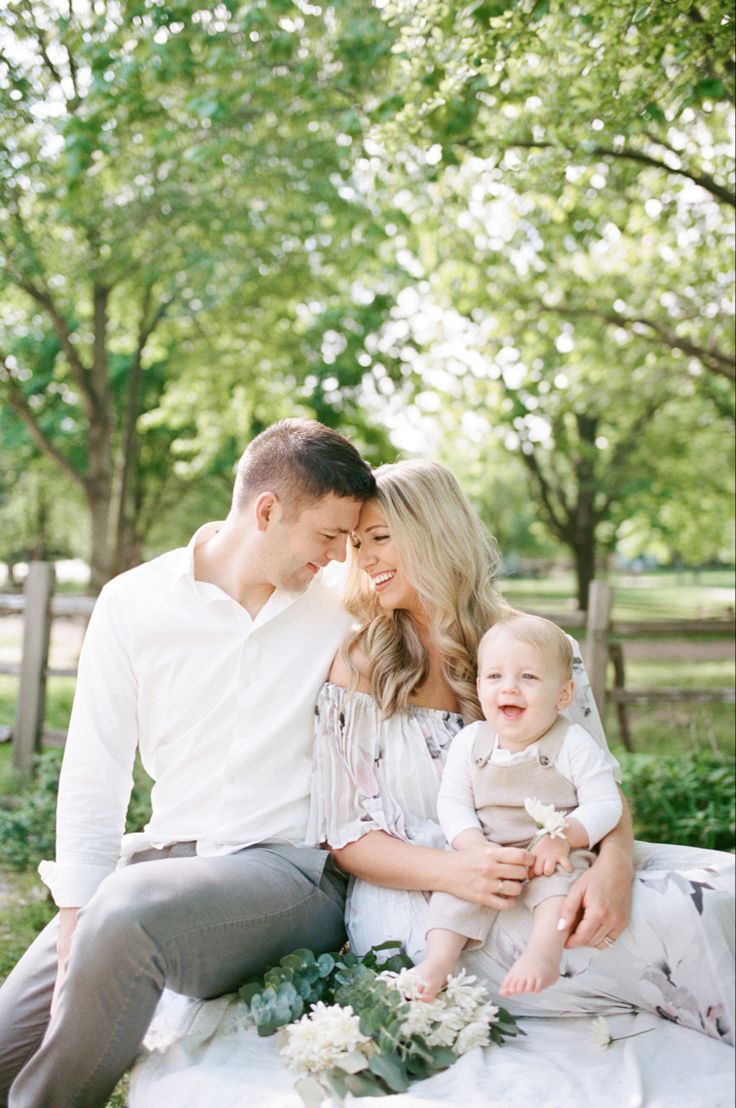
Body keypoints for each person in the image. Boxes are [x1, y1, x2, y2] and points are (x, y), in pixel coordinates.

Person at [0, 418, 377, 1108]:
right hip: (159, 864)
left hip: (287, 875)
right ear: (267, 511)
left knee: (127, 916)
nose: (336, 557)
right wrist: (74, 919)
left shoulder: (341, 613)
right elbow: (95, 774)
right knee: (7, 1038)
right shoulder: (134, 603)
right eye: (327, 536)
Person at [307, 458, 734, 1042]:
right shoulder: (360, 664)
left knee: (725, 885)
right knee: (681, 916)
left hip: (555, 861)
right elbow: (346, 833)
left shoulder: (540, 646)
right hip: (430, 905)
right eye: (358, 545)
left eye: (380, 538)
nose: (367, 559)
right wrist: (459, 870)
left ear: (435, 532)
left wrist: (612, 869)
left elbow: (600, 785)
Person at [415, 612, 622, 1001]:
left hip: (550, 851)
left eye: (528, 677)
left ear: (563, 694)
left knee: (562, 883)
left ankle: (542, 952)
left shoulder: (572, 742)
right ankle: (439, 960)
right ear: (479, 687)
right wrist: (472, 845)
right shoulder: (472, 740)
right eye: (495, 677)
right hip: (489, 848)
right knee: (455, 890)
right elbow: (453, 801)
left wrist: (563, 838)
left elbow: (605, 802)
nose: (509, 688)